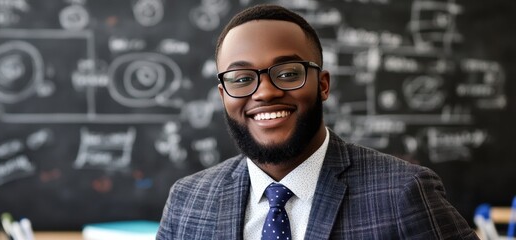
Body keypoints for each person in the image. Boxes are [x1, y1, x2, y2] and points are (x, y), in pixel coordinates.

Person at [157, 4, 478, 240]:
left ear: (322, 85)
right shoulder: (188, 200)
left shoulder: (403, 193)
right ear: (223, 94)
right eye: (241, 78)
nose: (265, 92)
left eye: (287, 74)